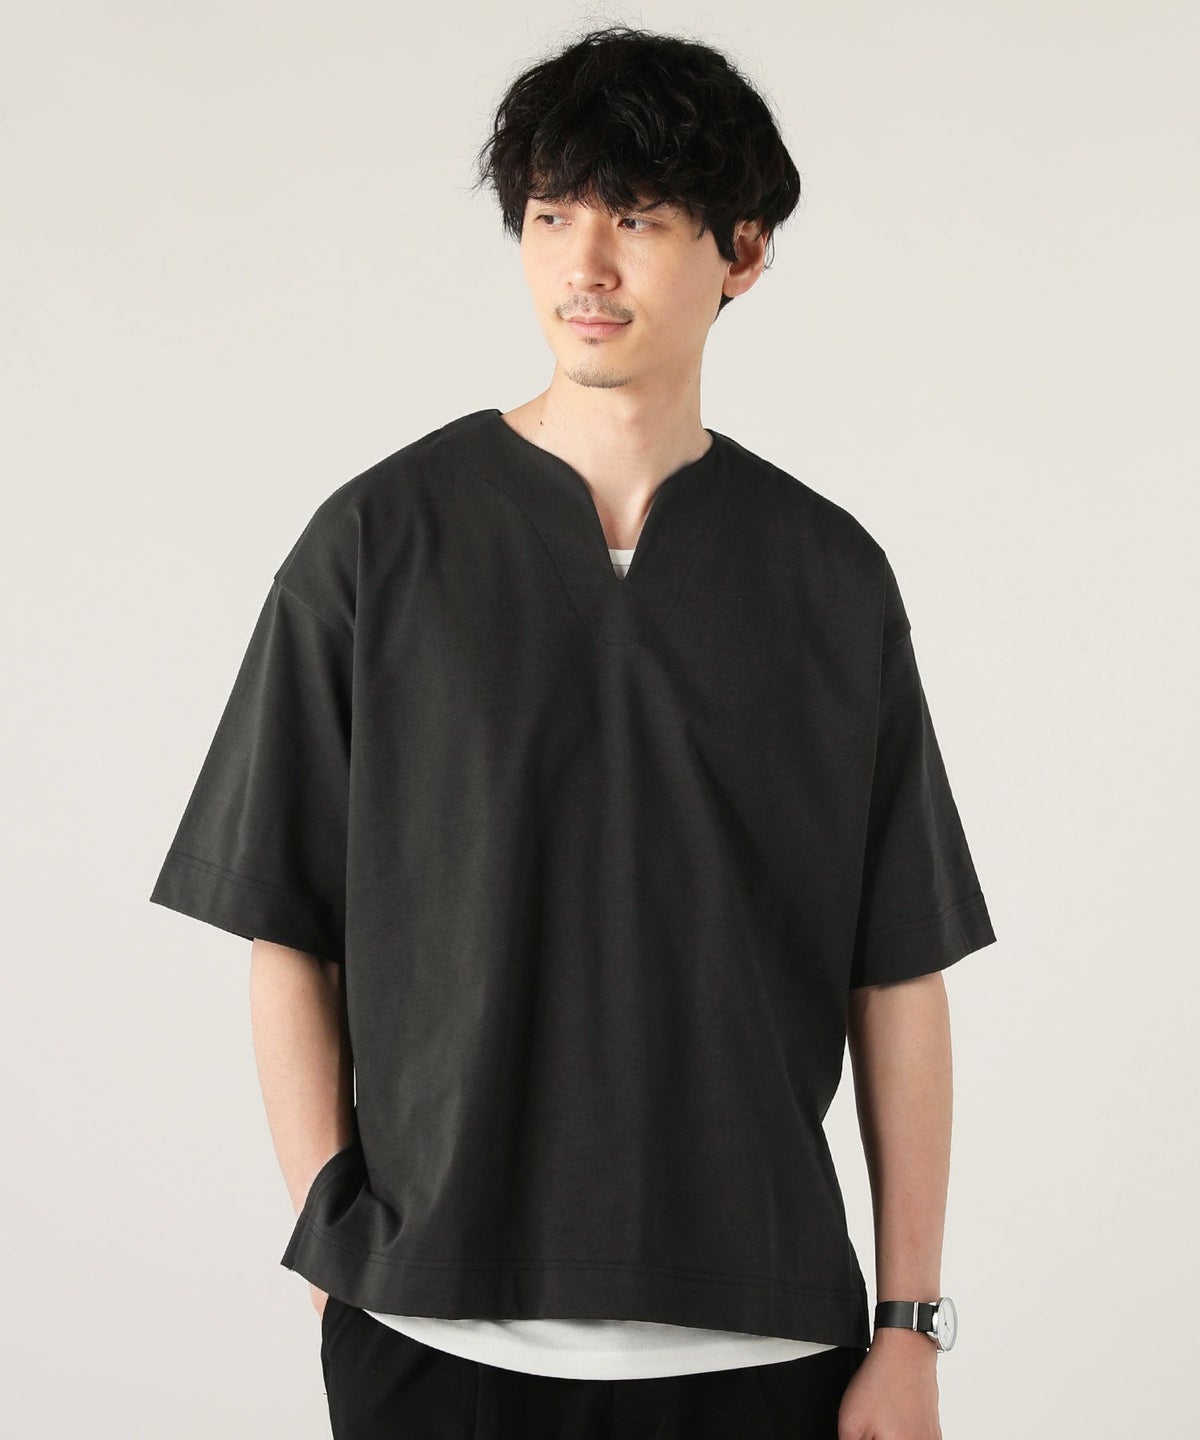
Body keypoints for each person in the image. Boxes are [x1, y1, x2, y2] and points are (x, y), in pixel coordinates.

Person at [150, 22, 996, 1440]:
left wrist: (909, 1329)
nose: (584, 265)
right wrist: (335, 1250)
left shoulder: (829, 578)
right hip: (430, 1335)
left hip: (761, 1339)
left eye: (639, 218)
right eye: (551, 216)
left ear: (743, 252)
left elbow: (897, 969)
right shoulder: (376, 544)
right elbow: (285, 926)